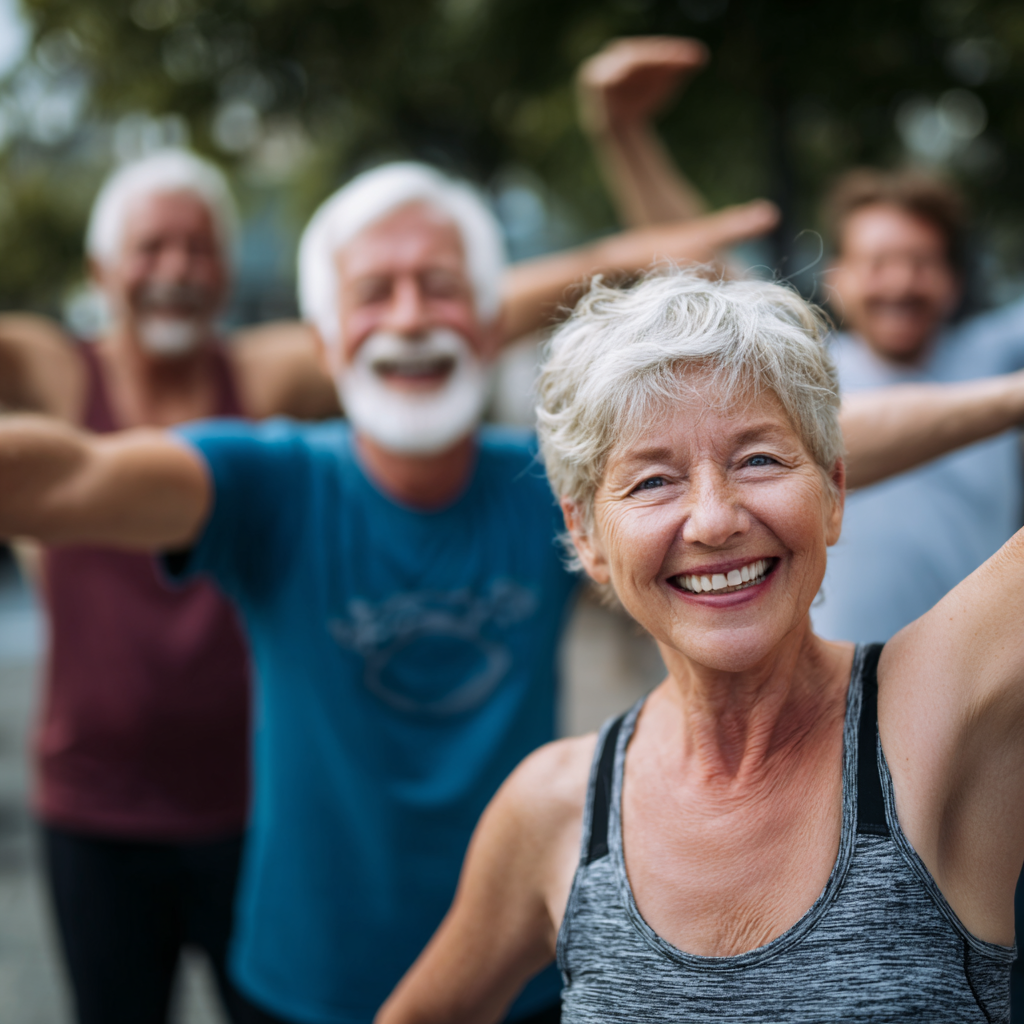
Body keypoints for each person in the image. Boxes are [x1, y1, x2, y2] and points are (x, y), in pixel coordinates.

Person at [3, 167, 1023, 1024]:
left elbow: (798, 443)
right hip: (302, 970)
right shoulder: (272, 480)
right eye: (376, 292)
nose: (710, 515)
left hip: (537, 976)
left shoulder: (542, 482)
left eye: (439, 286)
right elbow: (65, 477)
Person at [374, 269, 1024, 1024]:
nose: (714, 520)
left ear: (835, 494)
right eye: (653, 480)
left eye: (759, 460)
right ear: (585, 534)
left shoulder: (945, 710)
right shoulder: (553, 810)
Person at [575, 35, 1024, 646]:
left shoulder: (995, 352)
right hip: (842, 698)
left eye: (921, 262)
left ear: (952, 280)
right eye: (877, 262)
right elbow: (692, 263)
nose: (899, 281)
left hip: (985, 692)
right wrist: (622, 130)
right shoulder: (806, 370)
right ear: (836, 280)